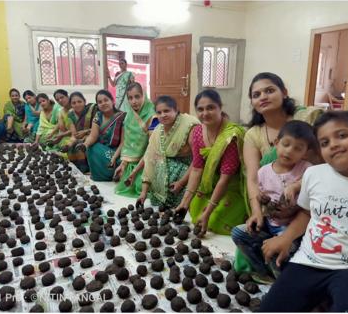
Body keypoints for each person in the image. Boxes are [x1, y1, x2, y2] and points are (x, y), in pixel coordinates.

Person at [259, 111, 348, 312]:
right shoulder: (314, 174)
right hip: (307, 261)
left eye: (342, 135)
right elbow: (306, 213)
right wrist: (286, 238)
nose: (333, 144)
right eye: (324, 142)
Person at [235, 72, 323, 274]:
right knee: (245, 236)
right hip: (271, 209)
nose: (263, 97)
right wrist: (257, 211)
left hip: (307, 204)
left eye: (269, 90)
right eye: (256, 94)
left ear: (284, 93)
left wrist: (298, 202)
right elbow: (252, 177)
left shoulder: (305, 121)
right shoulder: (254, 134)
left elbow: (321, 167)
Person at [232, 120, 316, 281]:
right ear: (276, 143)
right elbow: (260, 193)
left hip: (290, 229)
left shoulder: (307, 169)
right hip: (269, 223)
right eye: (286, 144)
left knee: (279, 252)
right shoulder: (264, 171)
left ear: (305, 152)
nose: (289, 151)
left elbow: (310, 182)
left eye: (298, 148)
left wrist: (295, 186)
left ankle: (281, 279)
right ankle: (262, 271)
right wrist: (261, 199)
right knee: (238, 233)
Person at [174, 89, 249, 237]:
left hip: (231, 186)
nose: (205, 113)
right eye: (200, 109)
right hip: (210, 183)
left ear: (220, 107)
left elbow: (225, 179)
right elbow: (196, 169)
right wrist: (184, 202)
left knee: (214, 220)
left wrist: (208, 212)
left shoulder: (231, 136)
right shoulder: (197, 132)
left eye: (210, 107)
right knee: (194, 210)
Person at [137, 95, 199, 208]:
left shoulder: (189, 126)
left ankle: (183, 202)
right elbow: (149, 158)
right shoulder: (158, 130)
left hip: (190, 170)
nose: (163, 115)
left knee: (168, 166)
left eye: (166, 111)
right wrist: (144, 192)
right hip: (169, 172)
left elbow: (198, 160)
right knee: (158, 162)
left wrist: (181, 183)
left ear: (176, 110)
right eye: (159, 112)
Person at [114, 82, 157, 198]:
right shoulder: (129, 116)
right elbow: (127, 144)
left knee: (140, 186)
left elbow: (152, 149)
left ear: (144, 95)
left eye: (137, 96)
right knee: (123, 180)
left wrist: (134, 172)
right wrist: (123, 164)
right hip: (133, 160)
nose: (134, 101)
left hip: (150, 159)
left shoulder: (153, 117)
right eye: (130, 98)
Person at [80, 90, 126, 181]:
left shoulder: (122, 117)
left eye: (106, 100)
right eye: (100, 102)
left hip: (118, 152)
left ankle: (114, 172)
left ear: (112, 101)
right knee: (91, 147)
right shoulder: (98, 116)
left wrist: (114, 157)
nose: (103, 103)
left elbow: (123, 142)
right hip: (102, 150)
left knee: (118, 160)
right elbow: (93, 136)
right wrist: (84, 145)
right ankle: (100, 176)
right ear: (97, 105)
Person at [64, 91, 97, 173]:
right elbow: (74, 134)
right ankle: (79, 167)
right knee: (71, 146)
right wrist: (68, 145)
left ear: (84, 101)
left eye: (79, 101)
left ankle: (87, 167)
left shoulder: (92, 109)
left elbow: (99, 127)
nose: (77, 105)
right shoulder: (70, 114)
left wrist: (86, 131)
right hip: (80, 137)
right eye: (74, 103)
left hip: (94, 134)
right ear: (71, 105)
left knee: (79, 145)